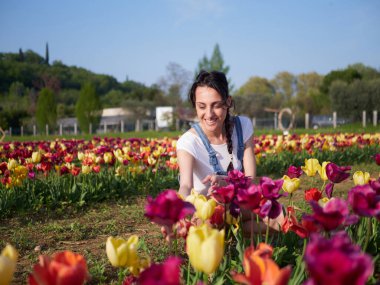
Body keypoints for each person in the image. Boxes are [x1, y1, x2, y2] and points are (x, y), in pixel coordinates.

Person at [176, 70, 283, 233]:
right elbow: (185, 186)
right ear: (195, 105)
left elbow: (251, 180)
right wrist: (179, 214)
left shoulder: (243, 126)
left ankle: (240, 233)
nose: (209, 114)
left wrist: (226, 182)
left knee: (280, 217)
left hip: (240, 204)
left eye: (216, 105)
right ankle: (239, 234)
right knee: (214, 217)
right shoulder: (188, 142)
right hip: (209, 212)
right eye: (202, 106)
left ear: (228, 102)